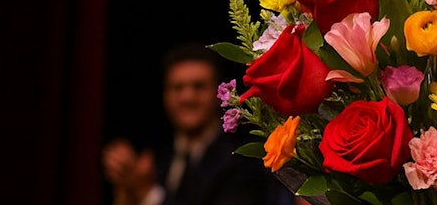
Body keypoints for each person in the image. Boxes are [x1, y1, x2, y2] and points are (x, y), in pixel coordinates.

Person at [102, 42, 299, 205]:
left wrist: (146, 192)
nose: (187, 97)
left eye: (198, 87)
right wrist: (125, 184)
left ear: (218, 94)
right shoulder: (159, 160)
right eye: (177, 88)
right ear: (165, 95)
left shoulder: (243, 161)